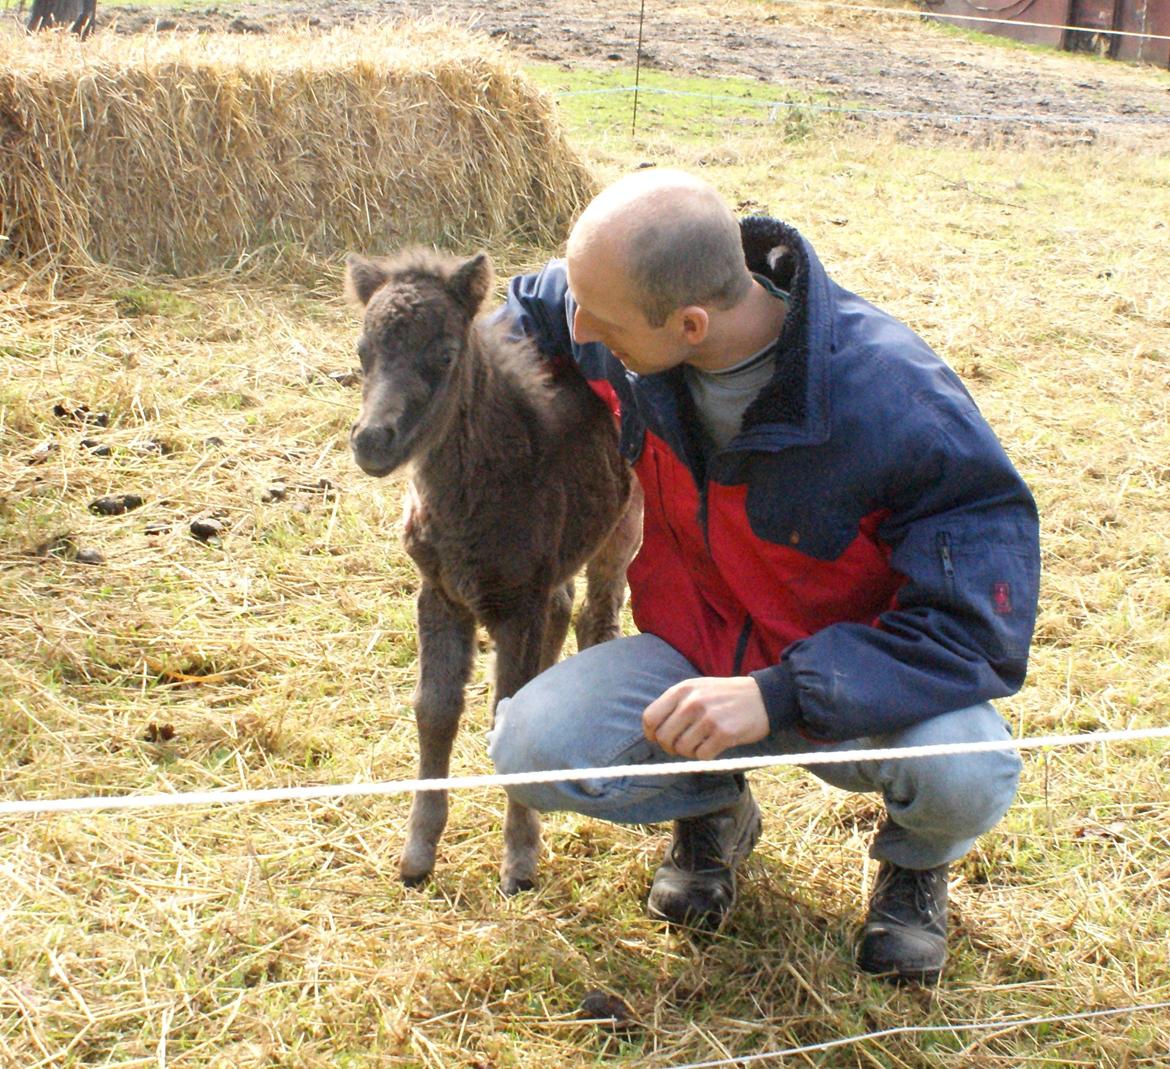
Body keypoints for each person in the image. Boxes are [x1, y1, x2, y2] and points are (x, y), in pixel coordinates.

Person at [487, 168, 1040, 984]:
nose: (578, 327)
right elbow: (531, 302)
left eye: (595, 318)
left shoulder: (899, 405)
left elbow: (976, 631)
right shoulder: (639, 317)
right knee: (531, 745)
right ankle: (713, 809)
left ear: (689, 324)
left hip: (856, 687)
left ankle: (915, 865)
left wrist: (778, 694)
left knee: (965, 769)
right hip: (699, 651)